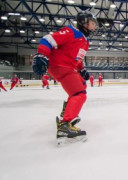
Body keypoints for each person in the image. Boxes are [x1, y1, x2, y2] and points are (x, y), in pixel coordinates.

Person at [32, 10, 98, 146]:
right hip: (60, 66)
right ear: (84, 22)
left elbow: (77, 58)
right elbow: (48, 39)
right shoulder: (72, 32)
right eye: (92, 23)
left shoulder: (85, 41)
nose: (94, 27)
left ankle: (65, 113)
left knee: (82, 85)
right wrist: (41, 55)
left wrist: (82, 69)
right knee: (79, 94)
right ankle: (64, 126)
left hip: (69, 67)